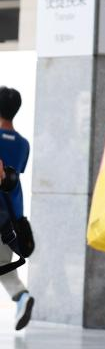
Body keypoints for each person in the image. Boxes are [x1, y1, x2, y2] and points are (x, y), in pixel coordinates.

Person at [0, 87, 32, 330]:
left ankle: (21, 297)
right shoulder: (22, 145)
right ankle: (21, 297)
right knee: (3, 264)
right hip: (9, 215)